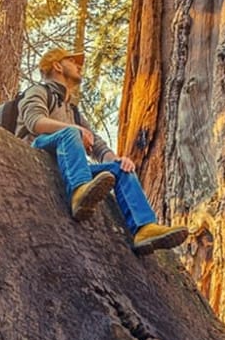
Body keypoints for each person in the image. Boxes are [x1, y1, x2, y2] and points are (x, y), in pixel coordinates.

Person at [17, 47, 188, 255]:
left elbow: (97, 146)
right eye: (73, 60)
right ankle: (79, 194)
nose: (80, 66)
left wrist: (118, 160)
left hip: (69, 164)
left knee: (120, 169)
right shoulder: (39, 91)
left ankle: (144, 228)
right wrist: (73, 130)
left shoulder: (73, 112)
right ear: (57, 65)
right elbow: (34, 122)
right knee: (70, 134)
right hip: (39, 153)